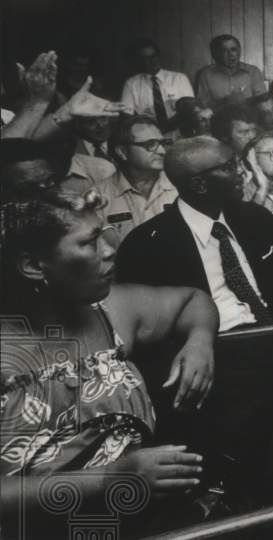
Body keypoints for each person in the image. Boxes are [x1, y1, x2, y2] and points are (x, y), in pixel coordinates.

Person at [1, 184, 217, 537]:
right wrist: (109, 477)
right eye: (89, 243)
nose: (110, 251)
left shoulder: (109, 310)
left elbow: (193, 301)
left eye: (104, 234)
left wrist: (199, 341)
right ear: (32, 265)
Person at [115, 136, 273, 331]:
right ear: (199, 185)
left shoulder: (255, 219)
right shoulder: (146, 246)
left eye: (237, 163)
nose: (243, 173)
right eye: (229, 167)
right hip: (211, 349)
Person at [96, 115, 177, 238]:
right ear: (123, 152)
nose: (162, 151)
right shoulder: (98, 198)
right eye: (150, 144)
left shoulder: (180, 185)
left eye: (162, 143)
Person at [120, 38, 195, 135]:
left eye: (153, 56)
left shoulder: (179, 78)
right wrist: (151, 130)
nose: (151, 61)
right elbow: (126, 115)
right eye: (145, 58)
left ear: (159, 56)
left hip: (178, 132)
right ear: (138, 60)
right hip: (147, 134)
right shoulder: (131, 83)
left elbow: (189, 109)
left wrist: (165, 128)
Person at [194, 35, 267, 108]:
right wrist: (224, 102)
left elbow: (263, 101)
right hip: (218, 118)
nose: (230, 54)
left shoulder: (253, 72)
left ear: (239, 51)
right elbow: (202, 104)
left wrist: (244, 102)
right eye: (224, 50)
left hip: (248, 118)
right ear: (217, 53)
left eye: (233, 49)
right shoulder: (206, 74)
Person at [69, 115, 118, 184]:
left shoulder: (121, 143)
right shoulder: (71, 151)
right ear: (78, 125)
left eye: (103, 118)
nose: (100, 125)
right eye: (91, 122)